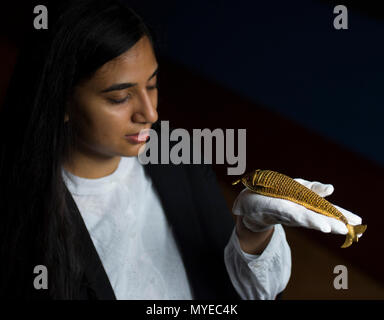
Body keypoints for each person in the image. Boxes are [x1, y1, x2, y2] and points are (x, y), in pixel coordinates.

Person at [0, 0, 363, 300]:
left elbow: (247, 293)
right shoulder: (23, 215)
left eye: (153, 85)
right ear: (62, 100)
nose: (150, 113)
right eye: (120, 97)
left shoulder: (180, 156)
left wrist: (253, 234)